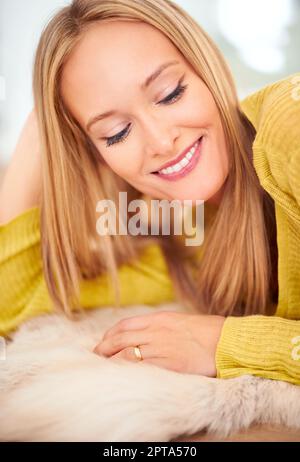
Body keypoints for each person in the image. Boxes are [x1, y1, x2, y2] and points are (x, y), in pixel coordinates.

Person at [0, 0, 299, 383]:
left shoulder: (290, 126)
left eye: (171, 93)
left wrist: (221, 342)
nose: (160, 141)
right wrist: (48, 114)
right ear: (96, 154)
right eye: (116, 133)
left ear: (206, 67)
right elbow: (12, 299)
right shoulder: (179, 232)